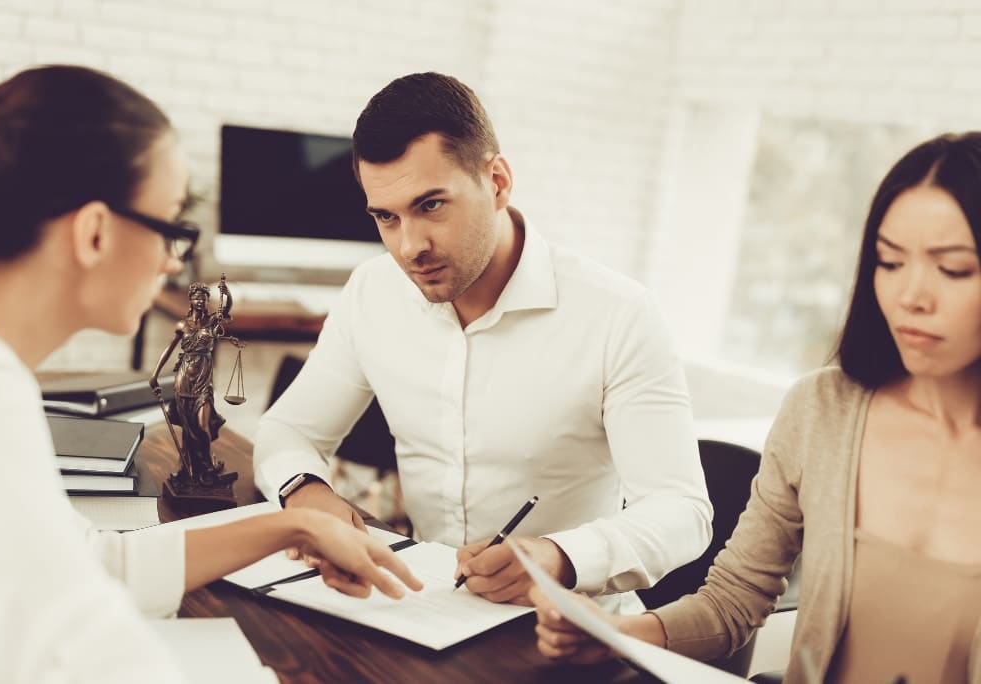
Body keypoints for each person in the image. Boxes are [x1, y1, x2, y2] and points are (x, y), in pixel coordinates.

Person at [0, 65, 421, 684]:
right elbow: (82, 656)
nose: (176, 258)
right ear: (95, 232)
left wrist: (293, 523)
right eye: (172, 225)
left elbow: (90, 562)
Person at [529, 133, 981, 684]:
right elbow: (733, 601)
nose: (911, 295)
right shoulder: (822, 411)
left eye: (953, 269)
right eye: (889, 261)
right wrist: (617, 637)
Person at [254, 71, 712, 614]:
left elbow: (682, 511)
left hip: (568, 629)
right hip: (424, 611)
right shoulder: (370, 292)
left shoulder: (619, 314)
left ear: (496, 180)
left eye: (431, 206)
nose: (409, 247)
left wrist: (560, 556)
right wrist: (307, 492)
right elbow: (288, 430)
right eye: (386, 217)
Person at [149, 278, 239, 490]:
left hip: (203, 380)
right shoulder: (183, 325)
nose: (200, 302)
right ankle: (190, 469)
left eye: (204, 299)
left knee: (202, 426)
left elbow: (226, 309)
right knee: (188, 428)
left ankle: (207, 466)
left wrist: (227, 293)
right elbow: (169, 349)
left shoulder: (212, 322)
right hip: (184, 380)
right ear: (191, 301)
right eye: (197, 299)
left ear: (208, 301)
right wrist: (155, 374)